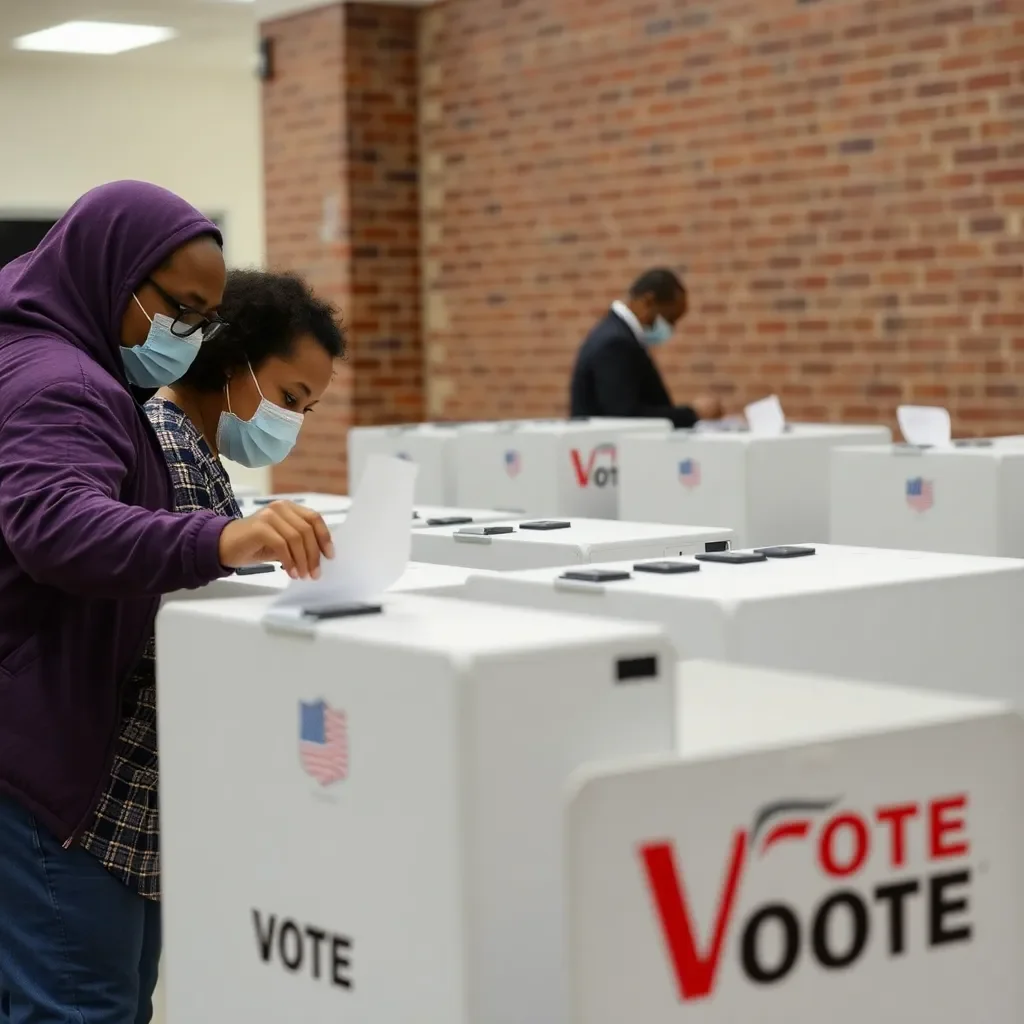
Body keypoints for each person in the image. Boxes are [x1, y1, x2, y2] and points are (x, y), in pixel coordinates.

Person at [0, 181, 333, 1024]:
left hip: (56, 747)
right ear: (113, 274)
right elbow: (54, 523)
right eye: (180, 310)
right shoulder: (62, 382)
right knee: (84, 1006)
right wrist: (220, 541)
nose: (187, 335)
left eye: (202, 316)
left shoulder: (56, 364)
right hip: (53, 766)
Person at [71, 268, 345, 1018]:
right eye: (290, 399)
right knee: (88, 1004)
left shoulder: (200, 456)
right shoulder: (160, 448)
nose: (292, 423)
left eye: (308, 410)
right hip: (100, 811)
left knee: (122, 1001)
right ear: (233, 363)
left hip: (144, 815)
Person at [569, 267, 723, 427]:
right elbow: (625, 416)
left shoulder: (617, 335)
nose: (671, 328)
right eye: (670, 318)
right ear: (648, 301)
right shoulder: (615, 343)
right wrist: (693, 414)